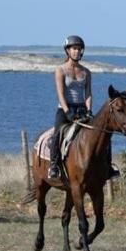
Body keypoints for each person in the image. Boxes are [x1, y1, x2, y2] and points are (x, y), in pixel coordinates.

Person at [47, 35, 93, 180]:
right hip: (65, 109)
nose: (77, 52)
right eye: (74, 49)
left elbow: (88, 94)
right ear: (67, 51)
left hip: (81, 109)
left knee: (99, 133)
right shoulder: (60, 70)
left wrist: (89, 110)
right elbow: (60, 93)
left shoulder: (86, 72)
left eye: (79, 49)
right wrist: (67, 112)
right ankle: (54, 166)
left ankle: (108, 166)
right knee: (57, 134)